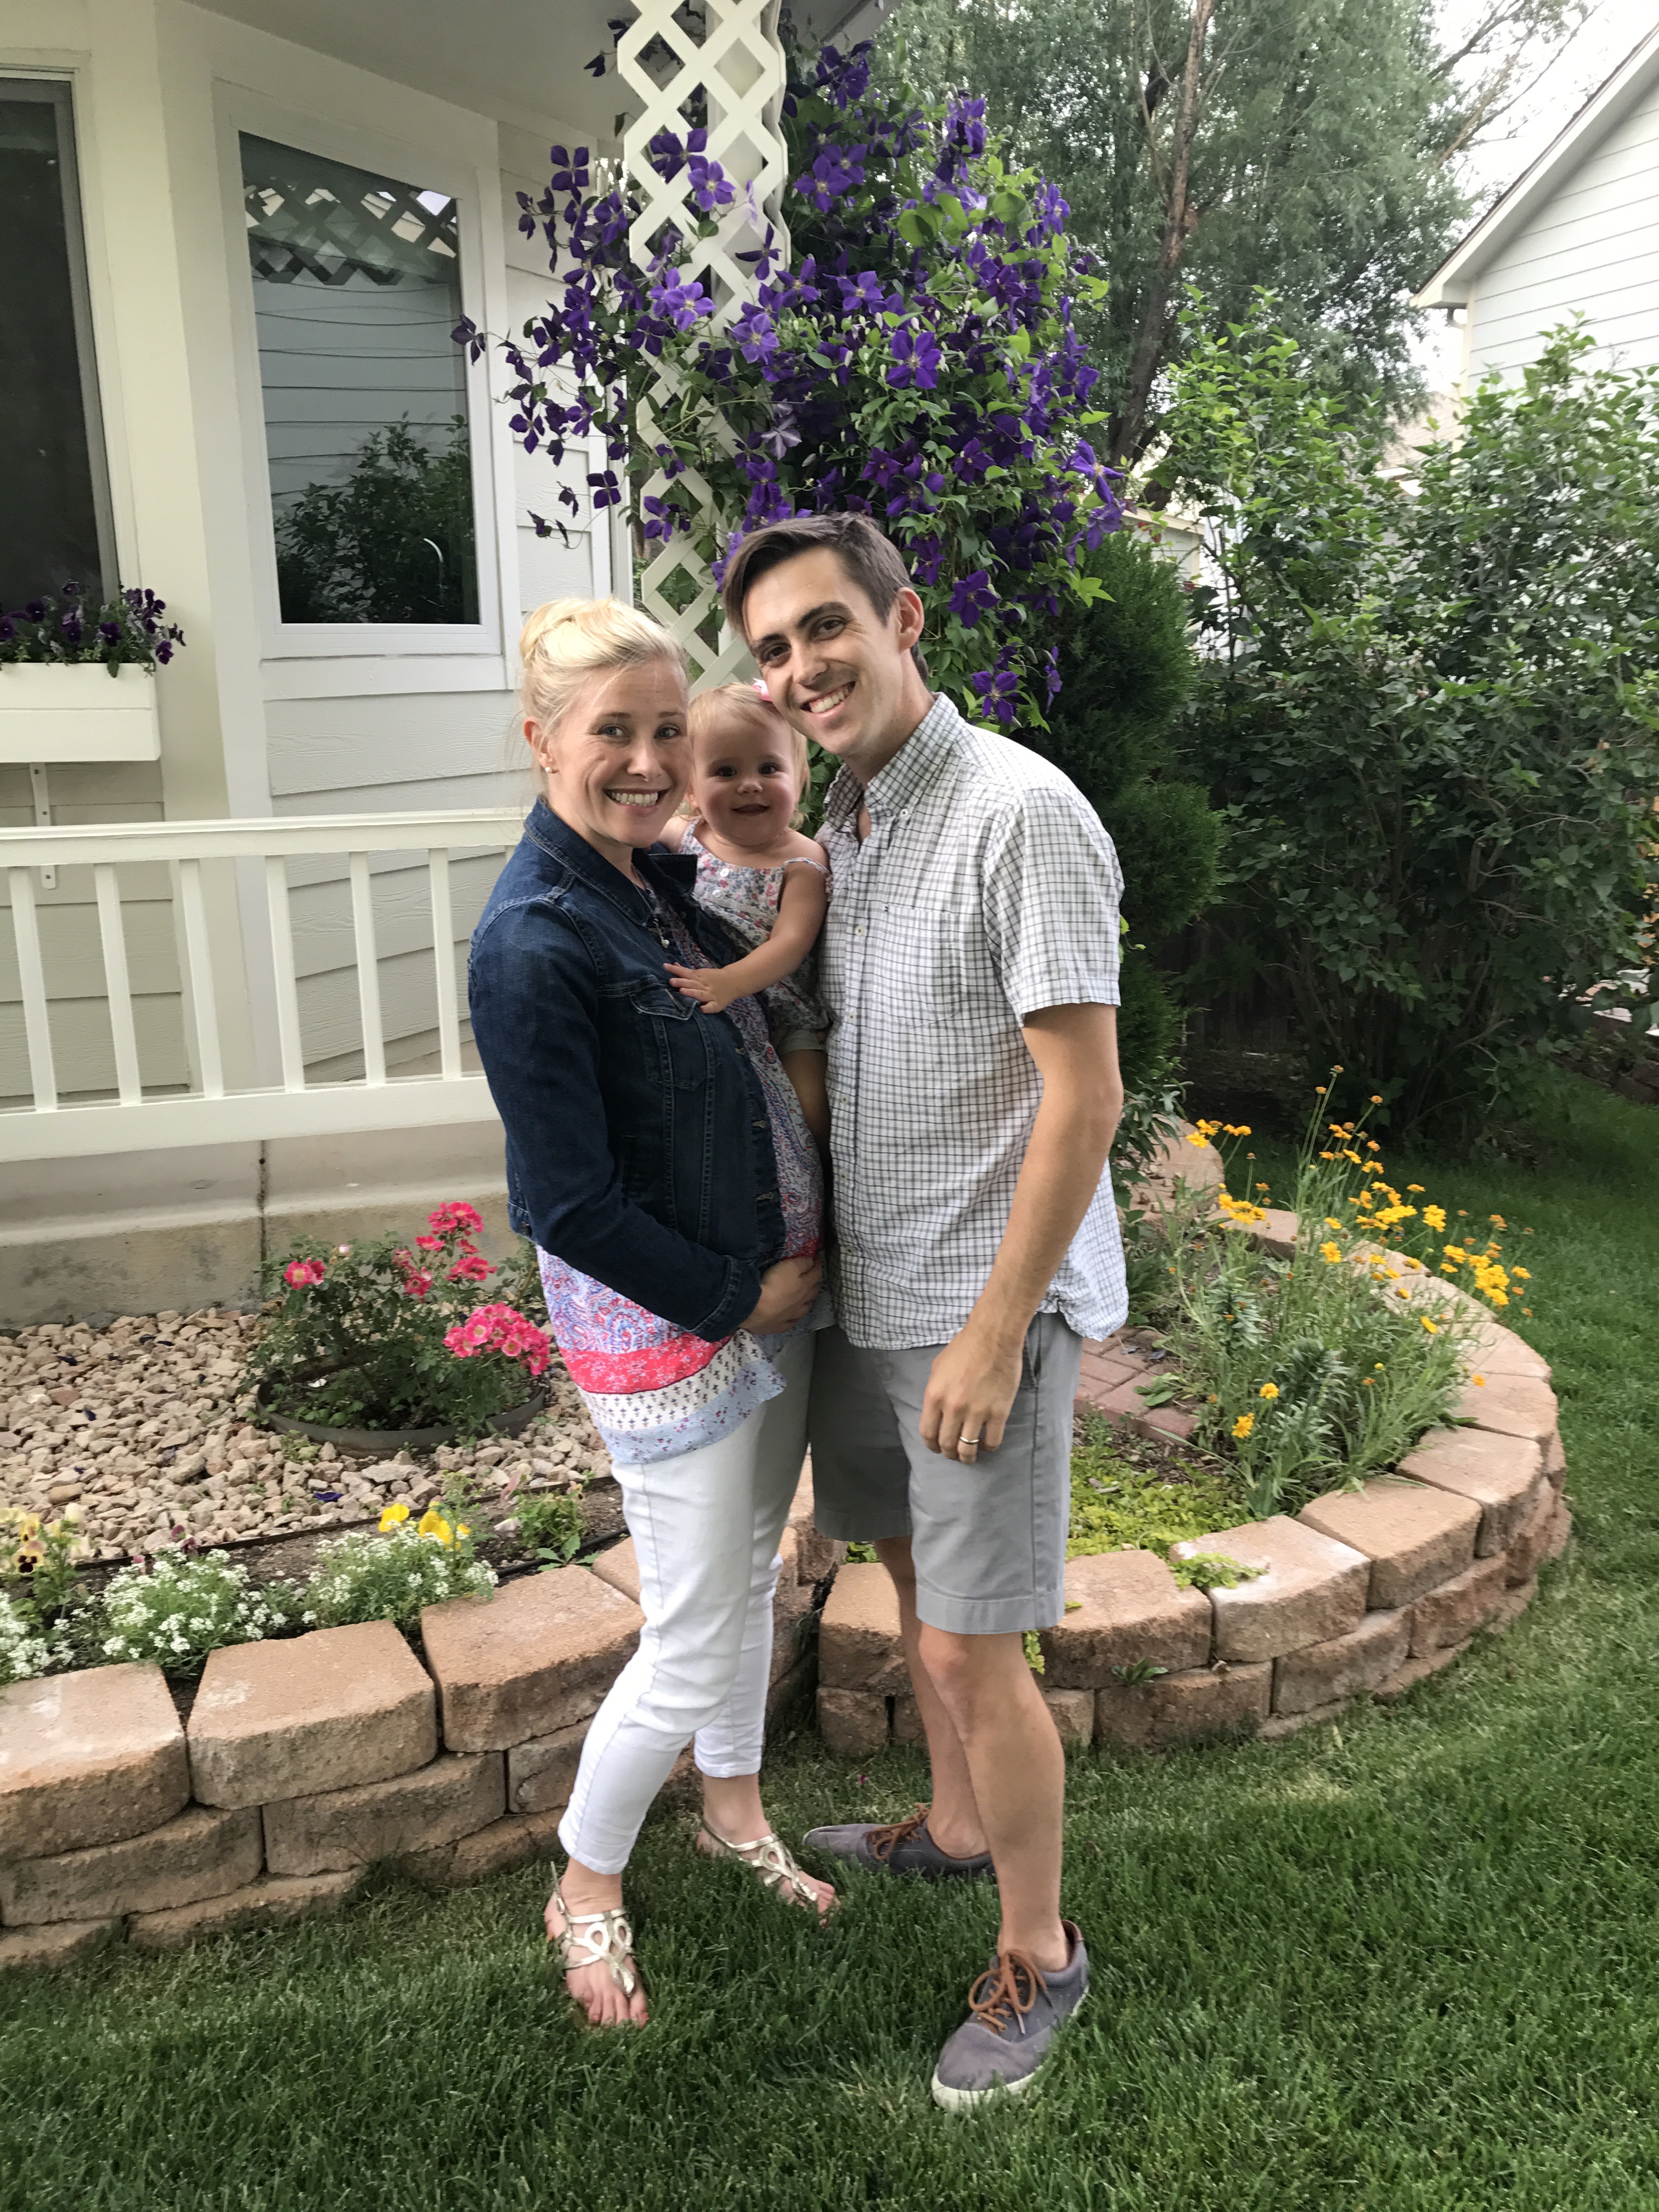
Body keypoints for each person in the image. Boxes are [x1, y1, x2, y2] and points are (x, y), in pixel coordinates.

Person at [721, 515, 1127, 2110]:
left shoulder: (1022, 813)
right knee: (907, 1581)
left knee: (966, 1645)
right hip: (875, 1291)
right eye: (772, 648)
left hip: (979, 1308)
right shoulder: (850, 819)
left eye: (825, 626)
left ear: (901, 621)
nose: (801, 667)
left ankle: (1041, 1949)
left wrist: (996, 1327)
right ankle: (956, 1832)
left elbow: (1084, 1100)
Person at [468, 598, 834, 2031]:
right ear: (541, 739)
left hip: (765, 1308)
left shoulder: (651, 880)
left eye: (667, 728)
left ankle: (732, 1813)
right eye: (611, 730)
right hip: (680, 1337)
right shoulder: (534, 940)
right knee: (689, 1631)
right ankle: (585, 1881)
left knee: (746, 1584)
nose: (646, 758)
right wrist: (738, 1295)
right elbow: (567, 1203)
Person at [658, 681, 832, 1155]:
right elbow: (629, 834)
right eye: (725, 771)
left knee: (812, 1110)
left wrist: (731, 982)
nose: (750, 783)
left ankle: (825, 1184)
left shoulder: (803, 862)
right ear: (691, 788)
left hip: (785, 1014)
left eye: (769, 768)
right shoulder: (685, 837)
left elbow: (791, 944)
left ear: (800, 777)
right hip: (713, 1009)